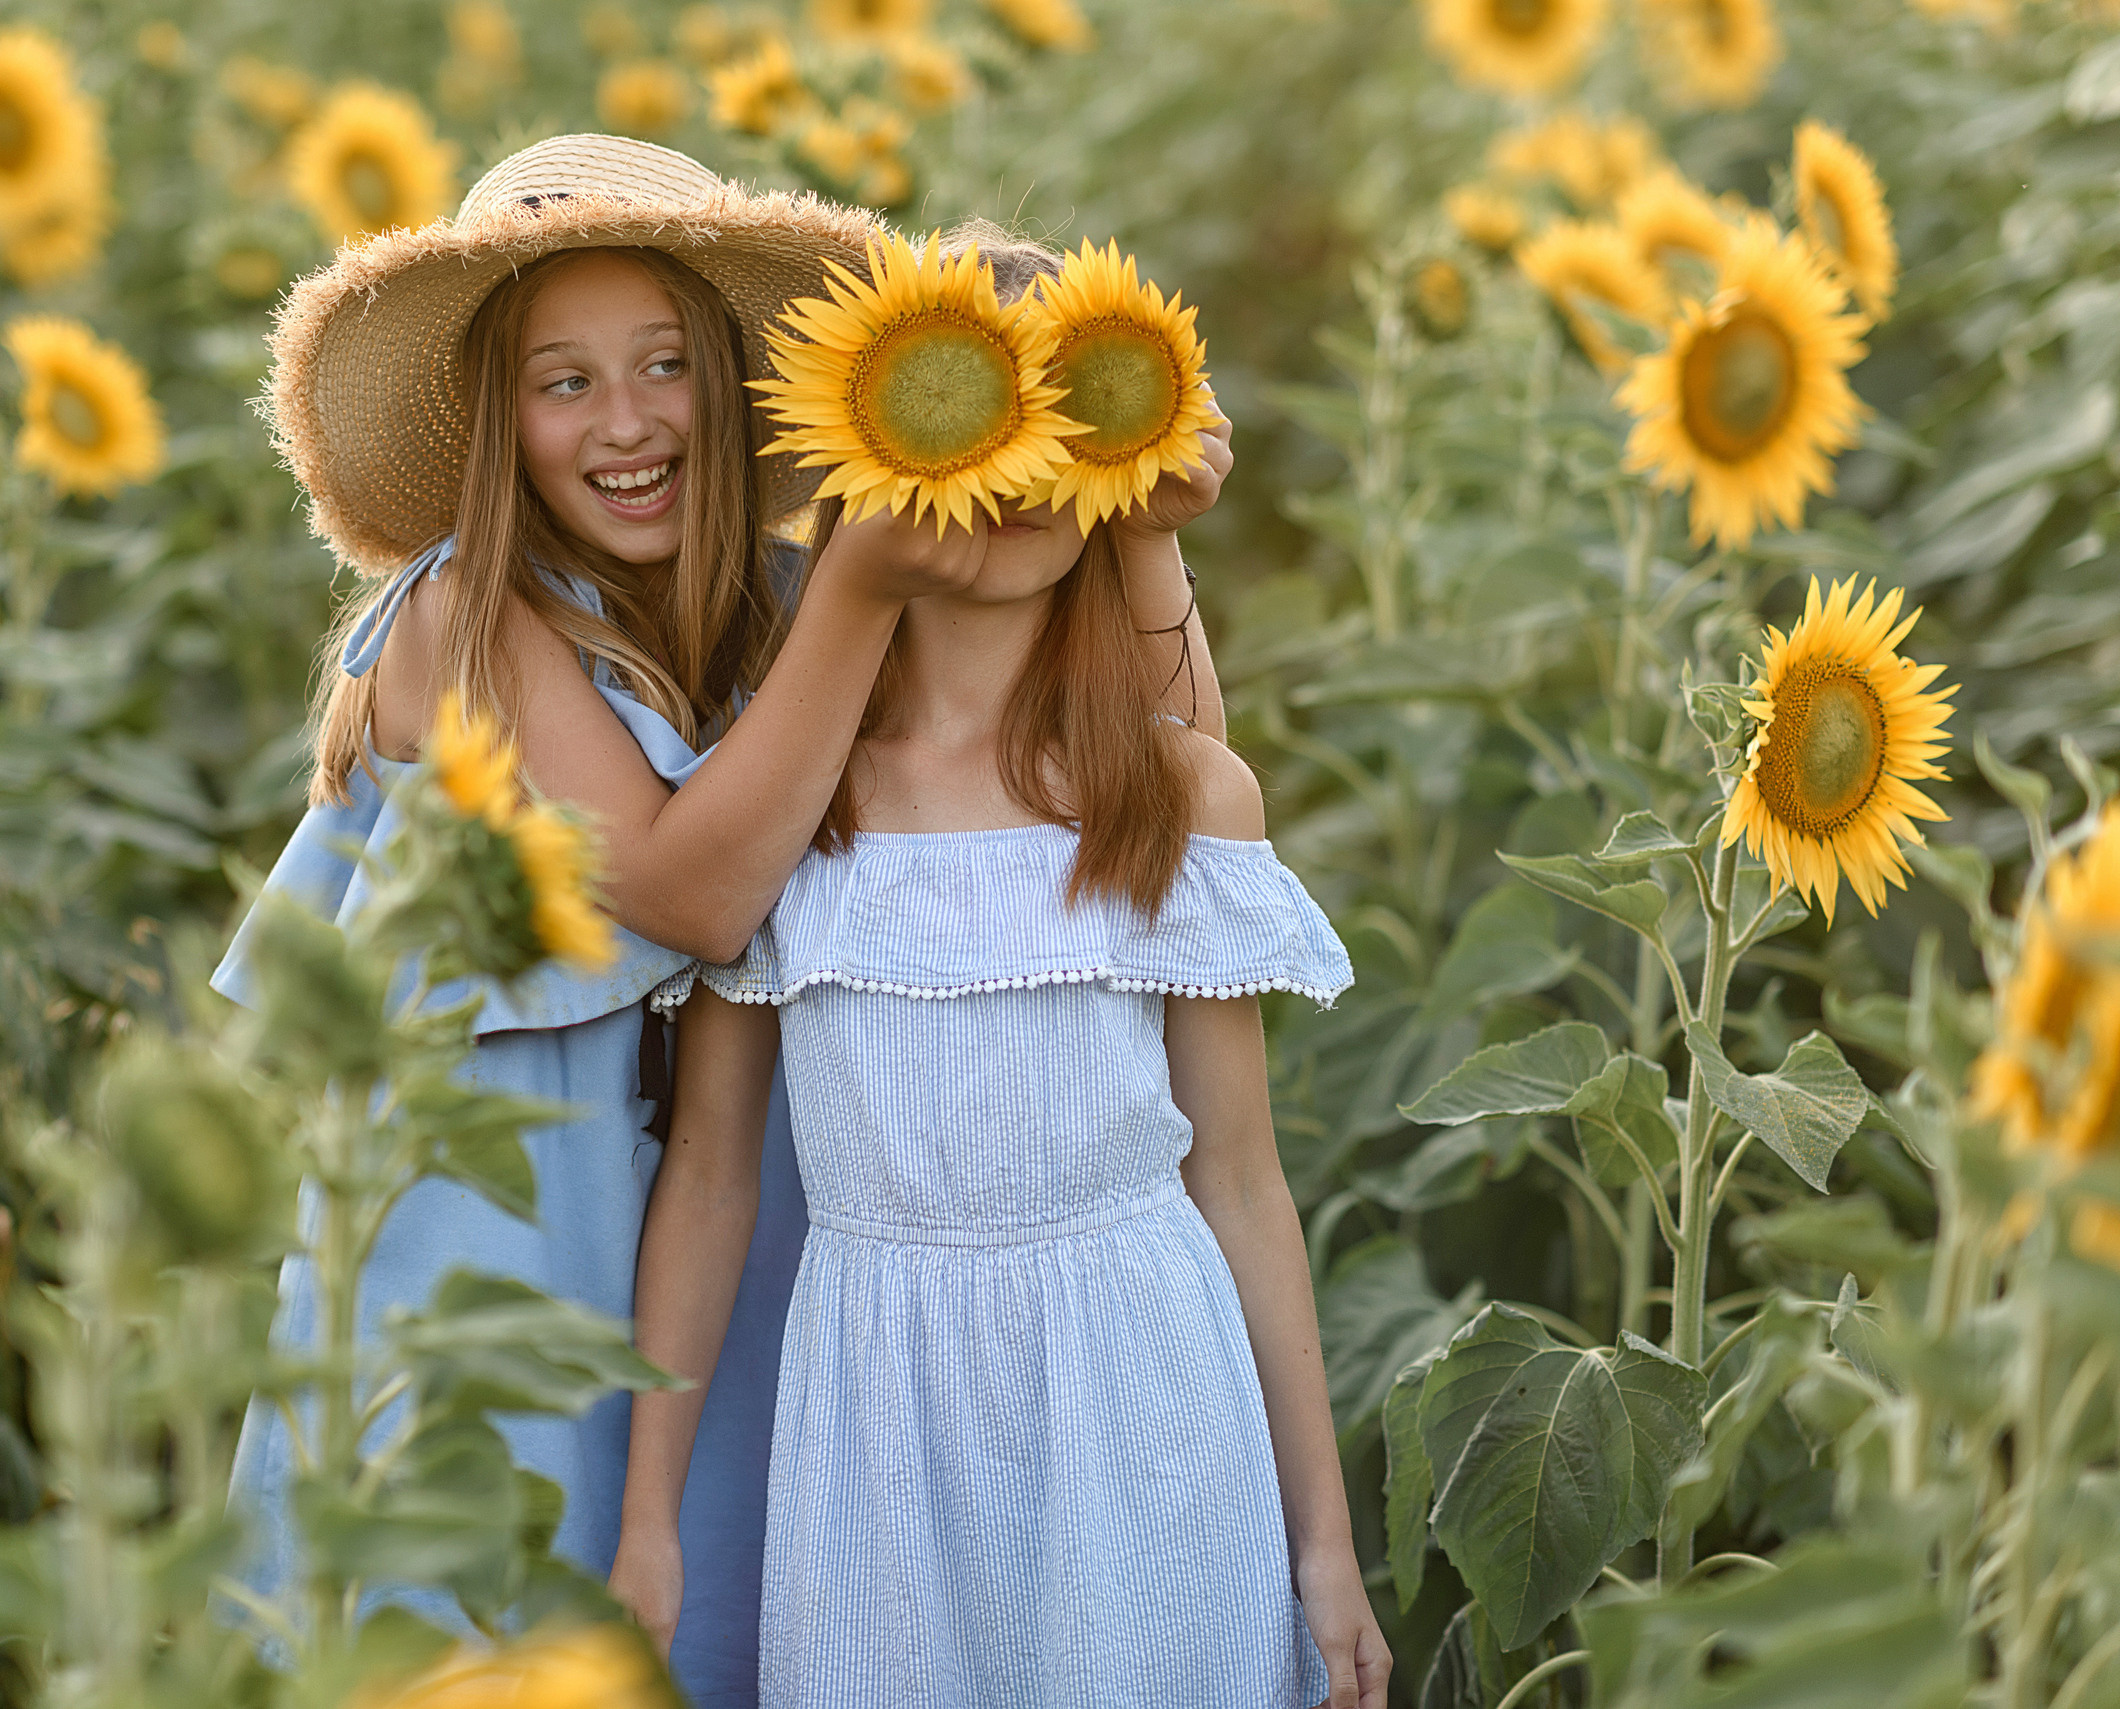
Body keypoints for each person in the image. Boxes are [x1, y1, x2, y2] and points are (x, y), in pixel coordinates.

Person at [218, 145, 1229, 1702]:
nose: (625, 421)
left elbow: (1158, 787)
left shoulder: (773, 607)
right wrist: (862, 594)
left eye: (666, 364)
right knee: (466, 1638)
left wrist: (1142, 524)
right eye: (564, 382)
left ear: (740, 386)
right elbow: (692, 891)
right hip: (486, 1265)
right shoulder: (463, 620)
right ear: (497, 423)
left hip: (717, 1271)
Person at [610, 245, 1390, 1708]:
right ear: (885, 438)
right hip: (877, 1435)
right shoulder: (783, 814)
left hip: (1150, 1405)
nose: (1024, 465)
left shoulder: (1178, 796)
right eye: (981, 410)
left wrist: (1326, 1547)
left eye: (1068, 418)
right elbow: (710, 1177)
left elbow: (1240, 1180)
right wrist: (649, 1516)